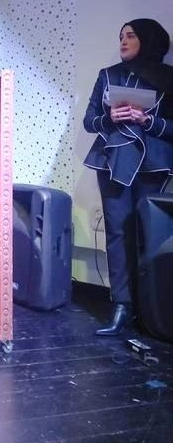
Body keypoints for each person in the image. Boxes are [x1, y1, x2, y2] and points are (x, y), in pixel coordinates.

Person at [83, 18, 173, 336]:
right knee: (117, 233)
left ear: (148, 40)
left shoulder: (168, 77)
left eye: (131, 36)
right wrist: (109, 117)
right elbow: (89, 120)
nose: (123, 41)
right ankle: (121, 305)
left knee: (149, 235)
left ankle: (151, 309)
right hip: (113, 161)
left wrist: (148, 121)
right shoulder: (109, 75)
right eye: (121, 36)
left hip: (152, 164)